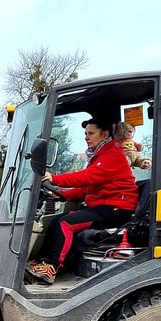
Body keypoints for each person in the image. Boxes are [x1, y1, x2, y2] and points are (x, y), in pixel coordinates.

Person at [26, 118, 139, 285]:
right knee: (57, 220)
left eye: (91, 133)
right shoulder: (99, 156)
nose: (87, 137)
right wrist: (63, 194)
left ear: (104, 134)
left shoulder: (111, 156)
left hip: (117, 208)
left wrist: (54, 178)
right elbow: (87, 189)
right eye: (85, 133)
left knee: (66, 223)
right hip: (105, 205)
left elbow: (86, 178)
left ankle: (51, 267)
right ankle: (46, 262)